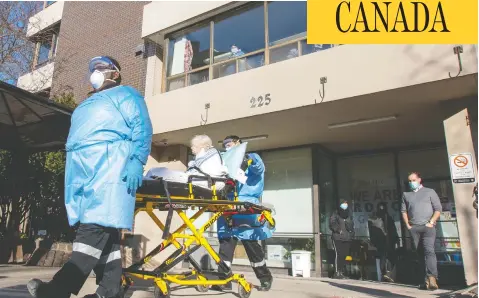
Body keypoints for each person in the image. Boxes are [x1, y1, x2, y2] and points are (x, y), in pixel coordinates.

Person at [27, 56, 153, 298]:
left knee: (93, 226)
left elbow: (142, 126)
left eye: (101, 68)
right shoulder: (89, 102)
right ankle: (110, 291)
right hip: (82, 168)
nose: (95, 73)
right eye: (93, 69)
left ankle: (57, 290)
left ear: (115, 73)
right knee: (107, 235)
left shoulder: (126, 94)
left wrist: (137, 160)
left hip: (110, 165)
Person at [213, 135, 274, 292]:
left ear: (239, 144)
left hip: (247, 210)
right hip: (228, 211)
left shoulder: (251, 160)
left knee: (253, 249)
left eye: (230, 144)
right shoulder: (226, 164)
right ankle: (223, 280)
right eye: (225, 144)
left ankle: (265, 278)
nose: (227, 146)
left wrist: (247, 158)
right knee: (225, 247)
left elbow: (258, 168)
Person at [401, 172, 442, 290]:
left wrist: (431, 222)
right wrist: (408, 225)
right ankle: (426, 281)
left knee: (429, 251)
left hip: (427, 227)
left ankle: (432, 277)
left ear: (419, 180)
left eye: (413, 180)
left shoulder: (430, 192)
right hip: (414, 228)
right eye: (409, 181)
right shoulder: (406, 195)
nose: (411, 183)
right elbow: (403, 211)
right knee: (420, 254)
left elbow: (438, 209)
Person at [146, 135, 228, 190]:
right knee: (157, 171)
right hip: (199, 179)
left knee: (157, 172)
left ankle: (145, 182)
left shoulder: (211, 156)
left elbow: (213, 173)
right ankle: (146, 180)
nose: (192, 147)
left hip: (202, 180)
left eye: (194, 146)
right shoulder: (209, 155)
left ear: (203, 147)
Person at [368, 203, 399, 282]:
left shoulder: (389, 218)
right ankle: (384, 274)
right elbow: (372, 231)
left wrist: (396, 239)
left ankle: (389, 274)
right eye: (380, 208)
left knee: (390, 258)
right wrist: (373, 241)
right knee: (382, 257)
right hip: (380, 242)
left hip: (389, 241)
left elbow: (393, 230)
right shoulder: (374, 219)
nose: (382, 210)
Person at [329, 200, 355, 279]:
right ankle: (337, 272)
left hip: (347, 238)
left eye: (346, 204)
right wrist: (338, 230)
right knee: (339, 255)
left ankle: (341, 272)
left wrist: (351, 233)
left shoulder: (349, 214)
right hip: (338, 238)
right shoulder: (335, 213)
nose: (345, 205)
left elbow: (352, 224)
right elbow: (332, 223)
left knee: (344, 255)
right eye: (343, 204)